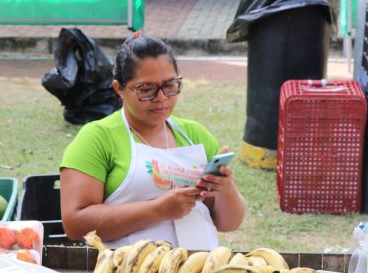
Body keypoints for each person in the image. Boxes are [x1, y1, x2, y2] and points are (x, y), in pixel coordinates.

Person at [60, 33, 246, 249]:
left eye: (170, 85)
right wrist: (158, 210)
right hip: (128, 267)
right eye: (146, 89)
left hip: (199, 265)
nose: (161, 98)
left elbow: (229, 223)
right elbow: (75, 224)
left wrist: (226, 188)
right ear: (119, 89)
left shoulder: (195, 135)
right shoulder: (97, 138)